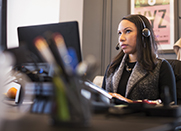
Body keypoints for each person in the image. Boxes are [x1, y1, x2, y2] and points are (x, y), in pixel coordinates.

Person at [102, 14, 177, 105]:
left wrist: (129, 104)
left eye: (128, 31)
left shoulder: (161, 67)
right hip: (112, 119)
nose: (121, 38)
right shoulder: (113, 67)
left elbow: (170, 107)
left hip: (144, 119)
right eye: (120, 33)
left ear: (144, 34)